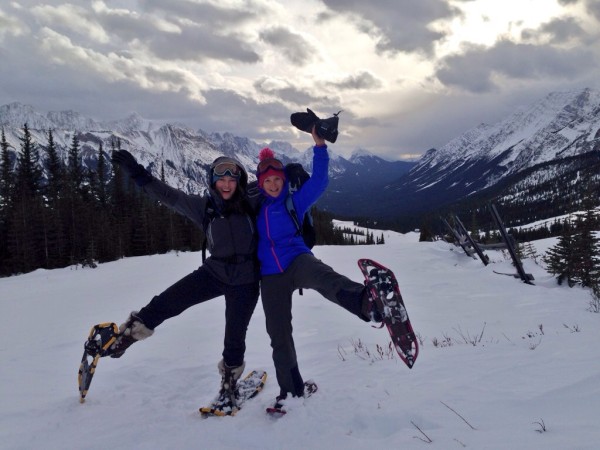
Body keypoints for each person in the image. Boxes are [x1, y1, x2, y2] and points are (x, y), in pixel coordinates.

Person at [109, 150, 260, 401]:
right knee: (169, 301)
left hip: (246, 279)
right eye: (220, 179)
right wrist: (137, 173)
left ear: (239, 181)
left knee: (234, 336)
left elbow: (277, 186)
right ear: (213, 181)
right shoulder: (204, 207)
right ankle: (128, 335)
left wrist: (293, 174)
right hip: (214, 272)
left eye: (232, 179)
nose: (226, 184)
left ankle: (229, 381)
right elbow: (167, 195)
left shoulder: (254, 203)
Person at [255, 127, 382, 410]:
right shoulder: (256, 207)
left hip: (297, 259)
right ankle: (290, 391)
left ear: (283, 180)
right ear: (260, 183)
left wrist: (319, 147)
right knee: (278, 335)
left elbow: (319, 183)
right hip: (270, 275)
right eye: (268, 181)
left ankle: (365, 301)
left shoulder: (293, 201)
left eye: (277, 179)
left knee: (324, 278)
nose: (273, 185)